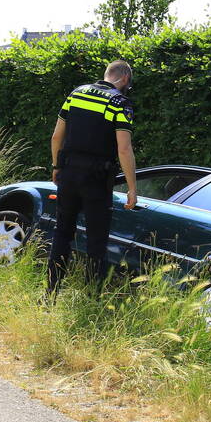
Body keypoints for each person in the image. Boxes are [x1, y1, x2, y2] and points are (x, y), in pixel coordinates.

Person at [47, 60, 138, 293]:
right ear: (125, 79)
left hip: (68, 173)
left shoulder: (76, 93)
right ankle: (91, 297)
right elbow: (124, 149)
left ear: (106, 74)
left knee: (62, 233)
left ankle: (50, 292)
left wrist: (57, 167)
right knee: (96, 241)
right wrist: (132, 188)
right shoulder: (120, 101)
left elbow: (57, 137)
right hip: (97, 178)